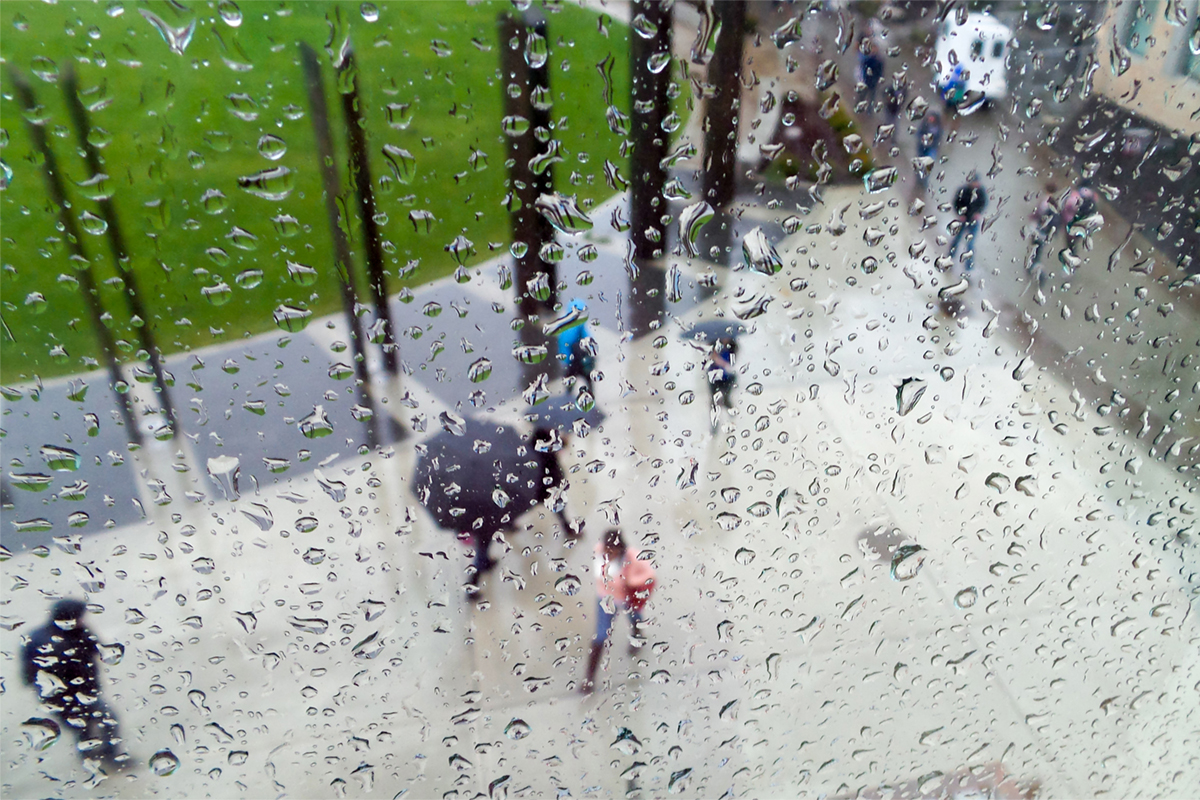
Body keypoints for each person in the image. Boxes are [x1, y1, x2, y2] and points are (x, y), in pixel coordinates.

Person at [21, 599, 126, 772]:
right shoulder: (45, 641)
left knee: (102, 722)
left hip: (83, 693)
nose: (82, 620)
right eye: (78, 617)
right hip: (61, 698)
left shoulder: (78, 631)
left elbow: (97, 650)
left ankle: (102, 759)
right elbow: (30, 674)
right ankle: (95, 762)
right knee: (87, 726)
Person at [579, 529, 655, 694]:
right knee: (600, 636)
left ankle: (637, 634)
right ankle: (589, 678)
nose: (608, 554)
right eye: (606, 550)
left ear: (620, 549)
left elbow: (650, 575)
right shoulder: (598, 552)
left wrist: (632, 581)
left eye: (612, 551)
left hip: (627, 598)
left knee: (635, 618)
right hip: (606, 599)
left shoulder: (633, 558)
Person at [949, 172, 987, 276]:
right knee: (956, 239)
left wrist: (978, 213)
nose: (976, 185)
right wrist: (959, 214)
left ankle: (969, 268)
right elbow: (956, 203)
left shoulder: (981, 192)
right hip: (963, 219)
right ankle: (950, 258)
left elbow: (983, 204)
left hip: (973, 221)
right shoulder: (963, 190)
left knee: (970, 244)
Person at [556, 299, 595, 395]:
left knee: (570, 384)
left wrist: (565, 362)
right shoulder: (578, 327)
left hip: (571, 363)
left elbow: (563, 346)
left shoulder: (566, 328)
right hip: (579, 362)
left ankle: (568, 396)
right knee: (587, 382)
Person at [1024, 182, 1059, 288]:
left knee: (1035, 253)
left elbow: (1038, 215)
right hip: (1046, 234)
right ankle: (1034, 271)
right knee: (1037, 252)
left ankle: (1039, 274)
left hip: (1039, 232)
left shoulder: (1045, 202)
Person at [1061, 178, 1100, 257]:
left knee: (1070, 242)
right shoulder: (1093, 197)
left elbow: (1069, 205)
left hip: (1073, 221)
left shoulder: (1077, 193)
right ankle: (1072, 256)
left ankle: (1070, 257)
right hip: (1085, 224)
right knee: (1074, 242)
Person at [706, 336, 739, 430]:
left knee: (725, 398)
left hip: (726, 378)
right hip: (713, 377)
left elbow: (727, 364)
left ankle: (731, 411)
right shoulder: (713, 347)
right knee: (714, 400)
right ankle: (714, 422)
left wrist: (717, 359)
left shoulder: (732, 350)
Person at [915, 111, 943, 192]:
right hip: (922, 147)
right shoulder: (924, 125)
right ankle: (919, 178)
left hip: (931, 148)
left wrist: (936, 147)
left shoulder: (938, 128)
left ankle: (924, 180)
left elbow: (939, 138)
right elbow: (919, 133)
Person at [856, 39, 885, 113]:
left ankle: (869, 111)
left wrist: (878, 79)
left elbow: (881, 71)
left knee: (872, 97)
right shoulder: (868, 58)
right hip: (866, 79)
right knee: (862, 95)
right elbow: (863, 66)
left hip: (874, 81)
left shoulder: (879, 60)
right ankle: (858, 106)